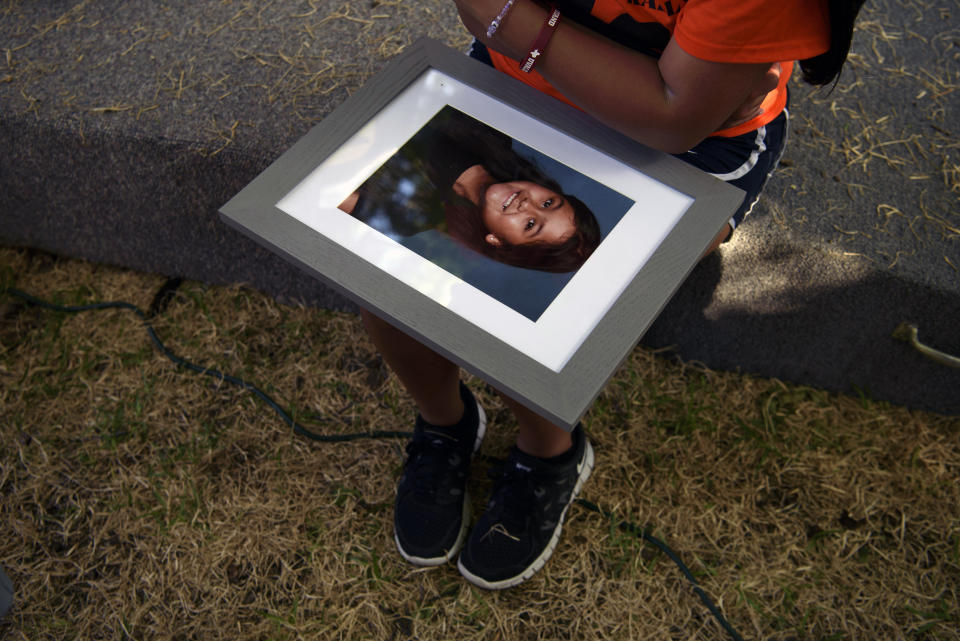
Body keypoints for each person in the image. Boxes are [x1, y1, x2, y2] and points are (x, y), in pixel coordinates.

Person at [360, 0, 867, 590]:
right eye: (545, 208)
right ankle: (445, 423)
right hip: (517, 72)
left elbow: (673, 119)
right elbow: (480, 15)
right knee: (377, 270)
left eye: (540, 218)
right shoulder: (461, 198)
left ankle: (549, 452)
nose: (529, 204)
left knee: (548, 316)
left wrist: (513, 20)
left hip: (689, 147)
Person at [339, 106, 602, 274]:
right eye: (548, 203)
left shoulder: (406, 217)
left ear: (497, 241)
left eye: (531, 224)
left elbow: (323, 187)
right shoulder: (493, 129)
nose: (527, 205)